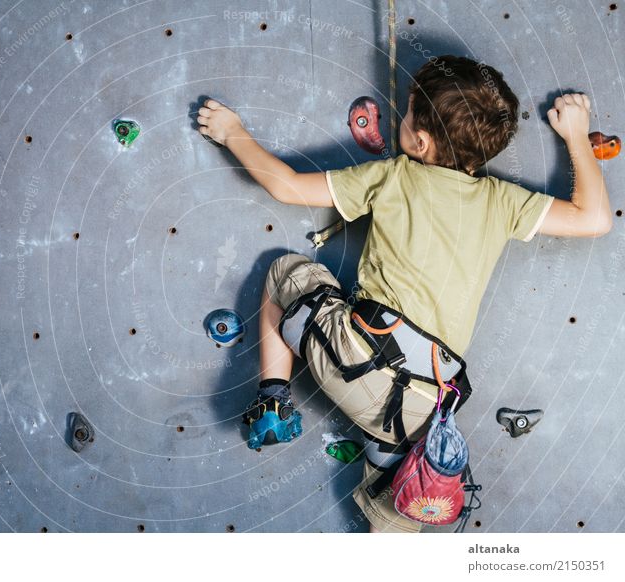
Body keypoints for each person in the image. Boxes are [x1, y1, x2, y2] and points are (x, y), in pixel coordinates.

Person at [196, 55, 612, 533]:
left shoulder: (395, 175)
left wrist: (232, 132)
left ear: (420, 141)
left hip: (355, 359)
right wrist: (577, 135)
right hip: (422, 412)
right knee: (396, 525)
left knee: (288, 272)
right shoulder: (504, 201)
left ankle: (272, 400)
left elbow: (285, 185)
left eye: (409, 112)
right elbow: (595, 218)